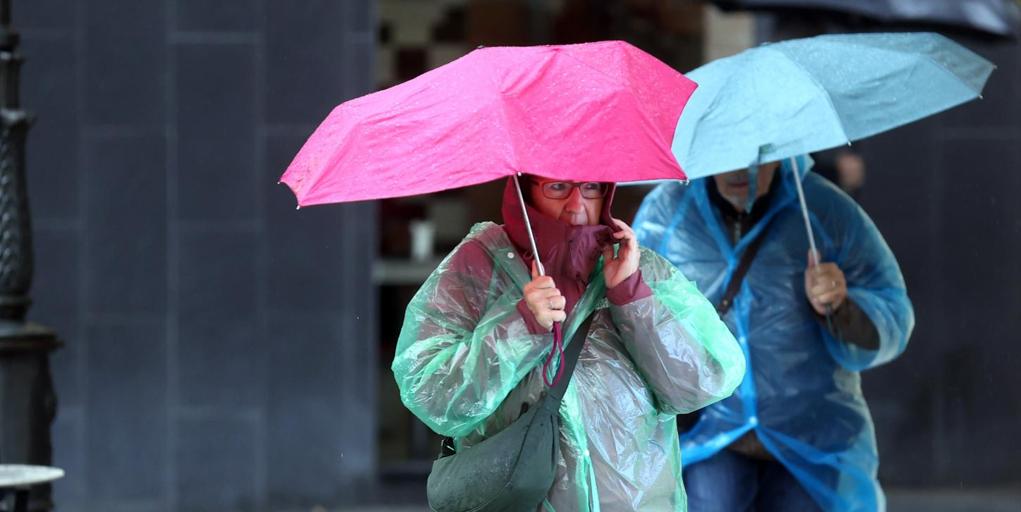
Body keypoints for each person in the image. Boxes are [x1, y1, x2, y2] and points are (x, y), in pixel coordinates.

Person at [392, 175, 747, 511]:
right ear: (526, 190)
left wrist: (632, 296)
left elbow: (703, 384)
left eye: (591, 187)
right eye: (558, 187)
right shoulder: (479, 265)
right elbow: (433, 395)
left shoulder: (638, 266)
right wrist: (519, 325)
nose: (577, 205)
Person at [633, 156, 915, 512]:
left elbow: (891, 310)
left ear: (779, 151)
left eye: (753, 156)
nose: (739, 169)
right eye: (727, 153)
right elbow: (632, 310)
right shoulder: (667, 213)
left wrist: (841, 305)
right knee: (712, 498)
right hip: (707, 430)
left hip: (810, 433)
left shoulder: (823, 211)